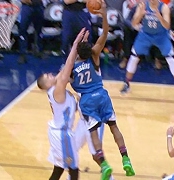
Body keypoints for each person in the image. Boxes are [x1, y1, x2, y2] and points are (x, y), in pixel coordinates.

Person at [68, 1, 135, 179]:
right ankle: (126, 159)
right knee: (114, 127)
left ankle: (104, 164)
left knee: (93, 135)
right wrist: (104, 14)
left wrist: (75, 47)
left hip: (87, 101)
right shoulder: (94, 57)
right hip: (102, 96)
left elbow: (63, 77)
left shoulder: (72, 68)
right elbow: (105, 33)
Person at [36, 29, 87, 180]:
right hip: (61, 134)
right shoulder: (57, 90)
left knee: (58, 169)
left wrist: (80, 49)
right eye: (48, 76)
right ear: (47, 84)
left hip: (59, 133)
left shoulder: (56, 86)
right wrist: (76, 45)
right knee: (73, 168)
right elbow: (68, 66)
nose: (51, 75)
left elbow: (65, 68)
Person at [120, 0, 174, 97]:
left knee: (170, 59)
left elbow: (167, 26)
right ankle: (127, 83)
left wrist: (160, 17)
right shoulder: (142, 5)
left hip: (161, 36)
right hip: (145, 35)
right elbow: (134, 23)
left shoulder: (164, 7)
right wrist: (140, 15)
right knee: (134, 57)